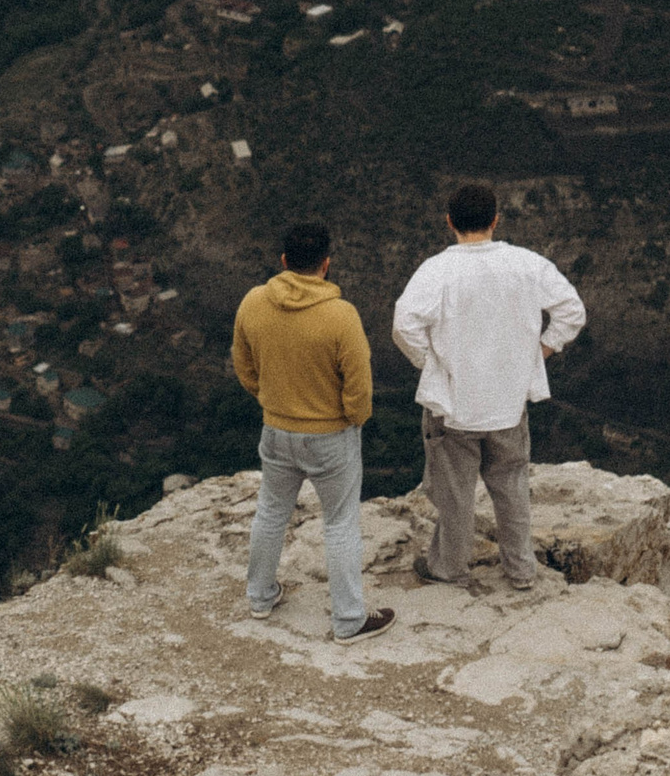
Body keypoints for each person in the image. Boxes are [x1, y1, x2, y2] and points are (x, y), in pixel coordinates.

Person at [390, 183, 586, 592]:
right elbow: (572, 310)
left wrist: (432, 364)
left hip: (453, 404)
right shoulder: (526, 264)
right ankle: (521, 571)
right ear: (496, 219)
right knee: (511, 489)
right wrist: (540, 352)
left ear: (450, 222)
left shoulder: (437, 270)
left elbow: (404, 325)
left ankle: (450, 568)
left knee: (455, 494)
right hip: (509, 403)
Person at [231, 222, 395, 643]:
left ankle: (260, 596)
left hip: (276, 427)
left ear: (284, 262)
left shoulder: (253, 302)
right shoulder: (341, 315)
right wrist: (352, 417)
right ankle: (348, 620)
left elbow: (243, 364)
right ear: (326, 265)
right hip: (330, 435)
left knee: (271, 511)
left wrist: (270, 399)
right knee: (340, 523)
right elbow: (359, 383)